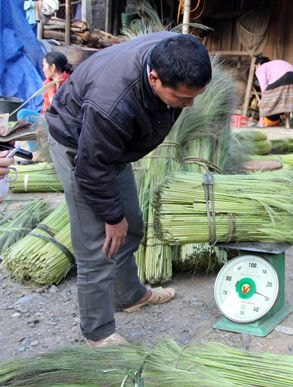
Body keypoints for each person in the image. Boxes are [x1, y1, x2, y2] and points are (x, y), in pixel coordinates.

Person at [46, 32, 212, 347]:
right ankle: (98, 333)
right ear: (154, 77)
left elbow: (108, 155)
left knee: (131, 224)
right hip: (78, 148)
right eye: (182, 98)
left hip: (109, 148)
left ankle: (129, 296)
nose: (189, 105)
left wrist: (120, 216)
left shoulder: (174, 52)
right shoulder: (113, 103)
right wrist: (111, 215)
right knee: (100, 243)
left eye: (195, 96)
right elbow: (91, 167)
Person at [17, 51, 73, 156]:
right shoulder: (48, 84)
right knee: (23, 114)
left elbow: (66, 110)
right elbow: (45, 108)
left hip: (63, 122)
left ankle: (44, 154)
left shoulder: (69, 83)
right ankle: (37, 152)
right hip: (48, 118)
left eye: (44, 66)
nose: (42, 69)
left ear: (53, 67)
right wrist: (41, 122)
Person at [254, 56, 293, 129]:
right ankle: (287, 124)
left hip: (282, 75)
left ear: (258, 64)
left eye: (255, 66)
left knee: (266, 97)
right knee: (286, 99)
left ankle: (261, 122)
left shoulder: (261, 68)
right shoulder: (272, 65)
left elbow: (263, 87)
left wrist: (263, 99)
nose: (256, 68)